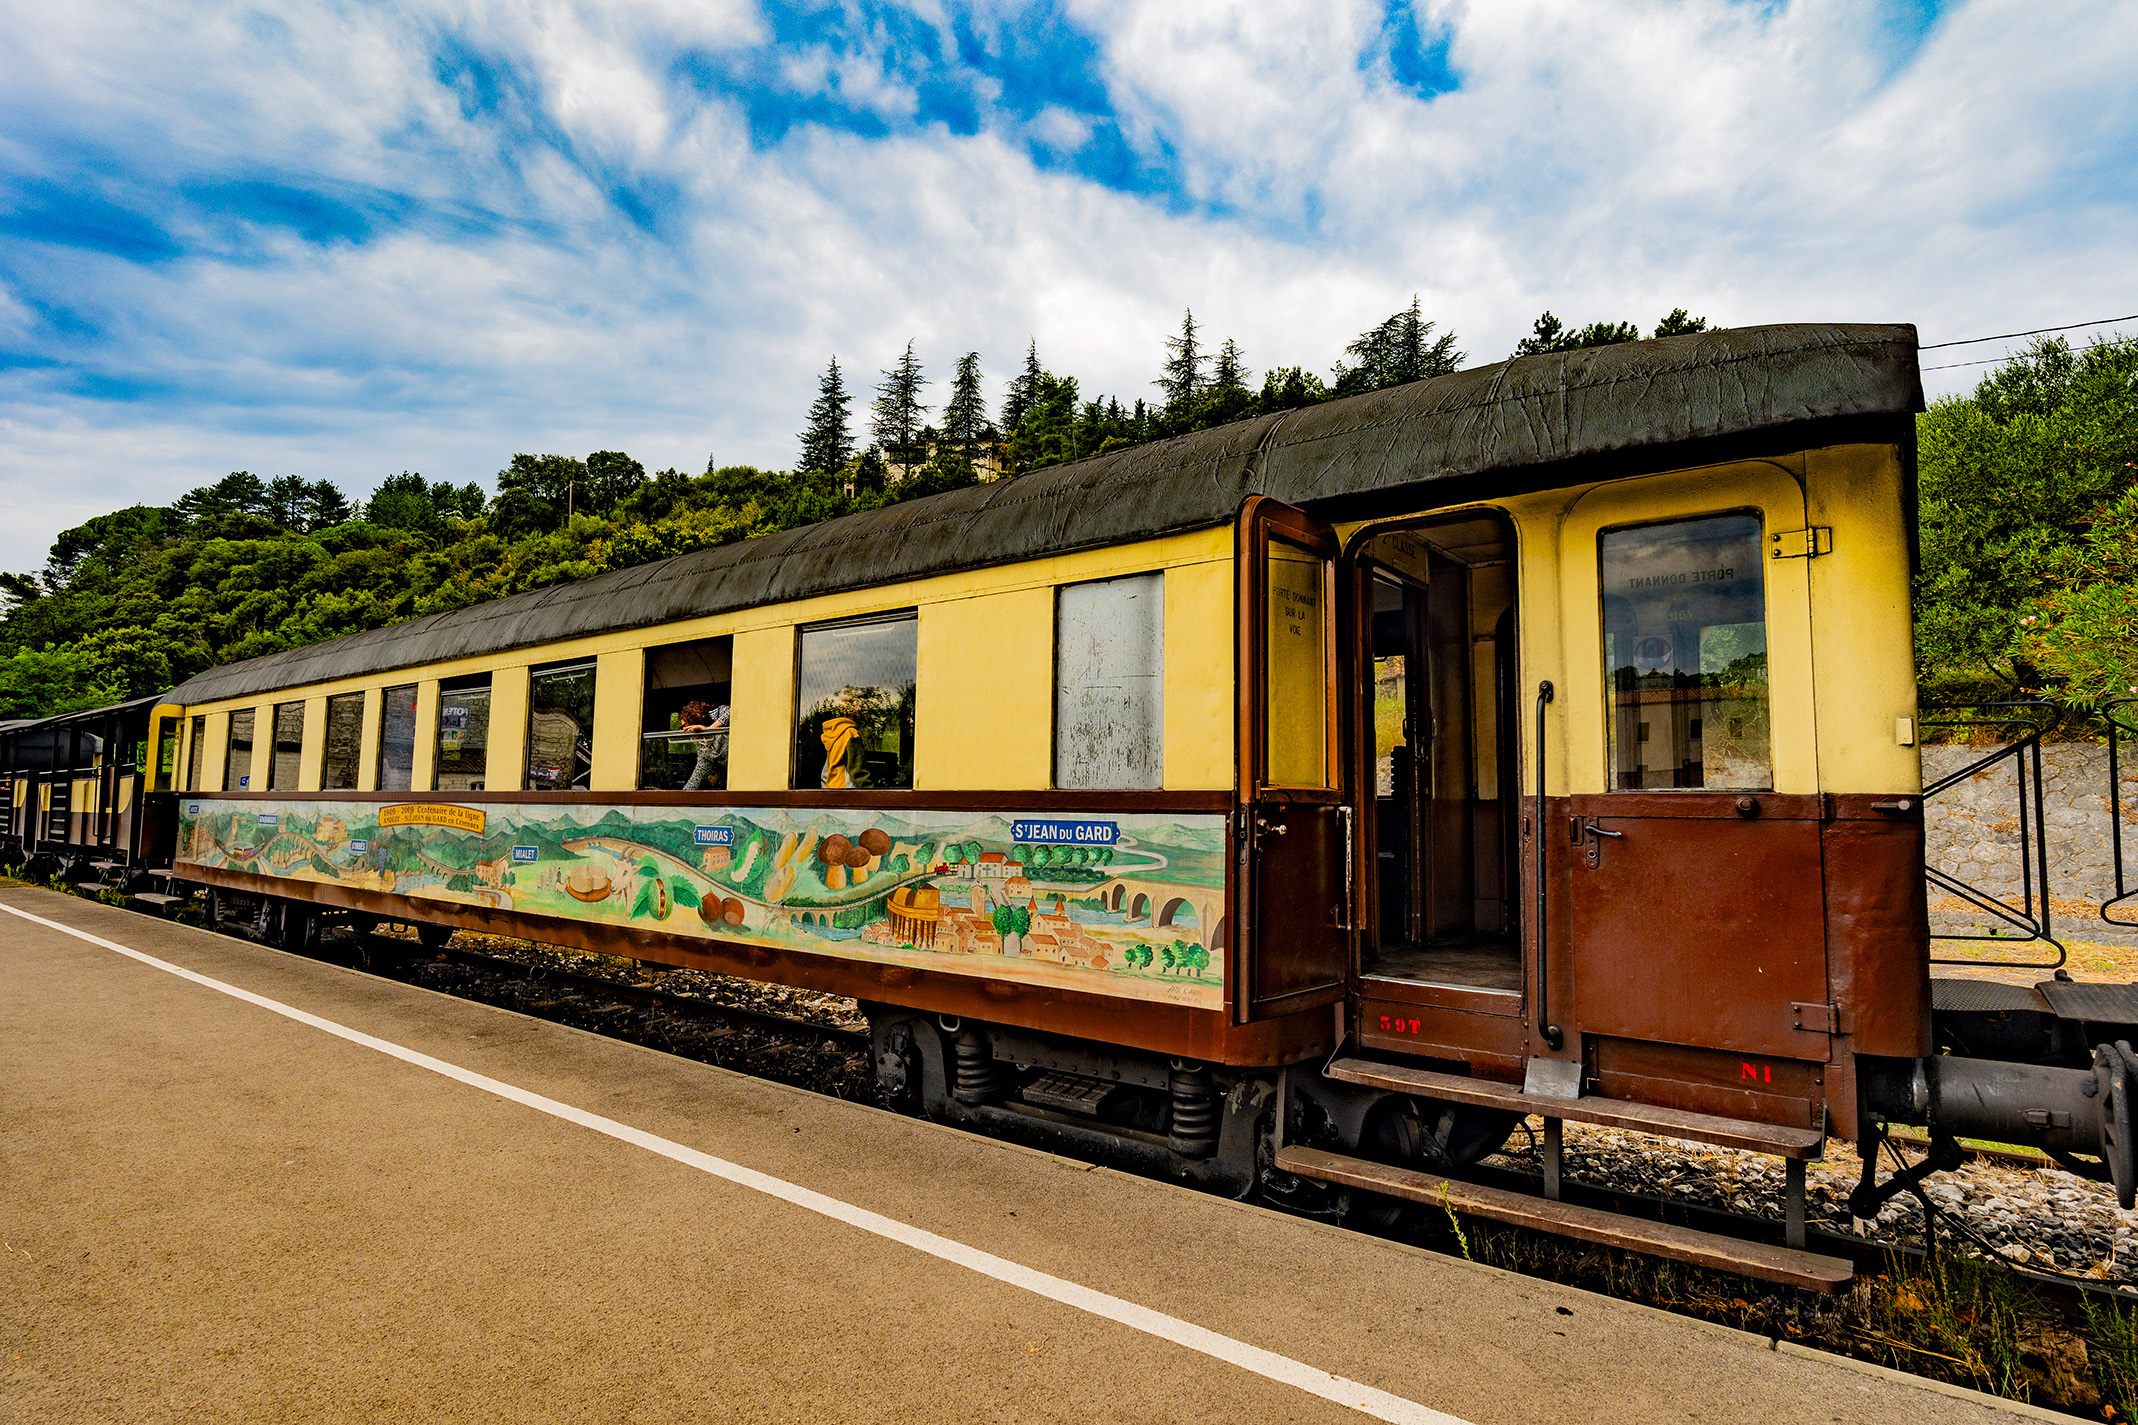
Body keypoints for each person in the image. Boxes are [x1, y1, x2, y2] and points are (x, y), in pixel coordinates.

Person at [678, 700, 728, 791]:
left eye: (686, 726)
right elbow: (699, 771)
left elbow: (734, 711)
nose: (686, 730)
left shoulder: (718, 713)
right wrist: (683, 795)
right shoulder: (702, 745)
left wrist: (709, 729)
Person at [819, 714, 867, 789]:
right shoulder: (851, 733)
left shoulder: (832, 735)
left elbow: (826, 771)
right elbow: (858, 771)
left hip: (832, 789)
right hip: (847, 791)